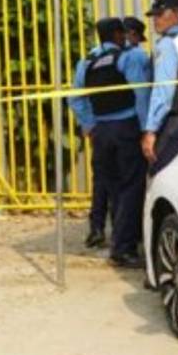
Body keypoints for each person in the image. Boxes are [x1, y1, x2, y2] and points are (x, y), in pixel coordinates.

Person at [69, 17, 151, 266]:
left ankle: (119, 241)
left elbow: (75, 98)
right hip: (126, 128)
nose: (125, 37)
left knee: (114, 189)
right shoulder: (129, 58)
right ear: (117, 34)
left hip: (102, 132)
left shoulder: (87, 63)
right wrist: (146, 128)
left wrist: (90, 125)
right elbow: (140, 94)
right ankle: (124, 249)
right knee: (132, 188)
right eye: (122, 33)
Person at [141, 0, 178, 173]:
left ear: (177, 13)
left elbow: (164, 90)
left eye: (160, 14)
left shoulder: (167, 44)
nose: (155, 19)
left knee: (160, 174)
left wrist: (151, 130)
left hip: (174, 123)